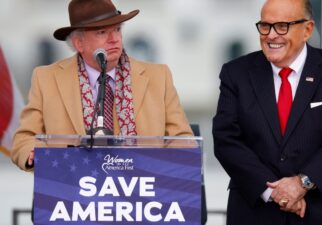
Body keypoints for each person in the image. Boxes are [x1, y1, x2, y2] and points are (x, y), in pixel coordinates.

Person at [212, 0, 322, 224]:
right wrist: (274, 192)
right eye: (265, 26)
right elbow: (226, 139)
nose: (271, 35)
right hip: (256, 211)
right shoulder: (235, 73)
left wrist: (302, 183)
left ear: (308, 29)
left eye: (282, 26)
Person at [12, 0, 193, 171]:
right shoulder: (46, 78)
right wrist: (33, 153)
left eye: (117, 29)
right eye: (102, 32)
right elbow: (24, 138)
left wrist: (165, 167)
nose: (114, 38)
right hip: (71, 193)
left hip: (144, 193)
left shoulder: (158, 76)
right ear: (79, 43)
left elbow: (183, 139)